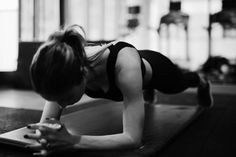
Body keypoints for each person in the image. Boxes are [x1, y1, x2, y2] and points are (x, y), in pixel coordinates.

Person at [25, 25, 213, 156]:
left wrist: (72, 141)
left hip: (158, 68)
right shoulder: (63, 70)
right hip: (131, 80)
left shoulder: (124, 64)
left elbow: (133, 139)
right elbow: (46, 127)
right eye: (53, 98)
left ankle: (200, 81)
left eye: (65, 98)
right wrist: (47, 137)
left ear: (82, 73)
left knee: (178, 84)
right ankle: (140, 91)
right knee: (133, 89)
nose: (60, 105)